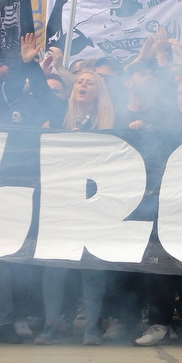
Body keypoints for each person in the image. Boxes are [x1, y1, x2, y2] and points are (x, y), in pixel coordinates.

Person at [35, 69, 115, 346]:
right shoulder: (60, 115)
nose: (82, 85)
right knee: (54, 264)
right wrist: (32, 65)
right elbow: (41, 92)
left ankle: (91, 326)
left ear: (98, 90)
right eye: (79, 81)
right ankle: (50, 324)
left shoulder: (110, 121)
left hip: (95, 204)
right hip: (62, 203)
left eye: (89, 82)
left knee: (92, 266)